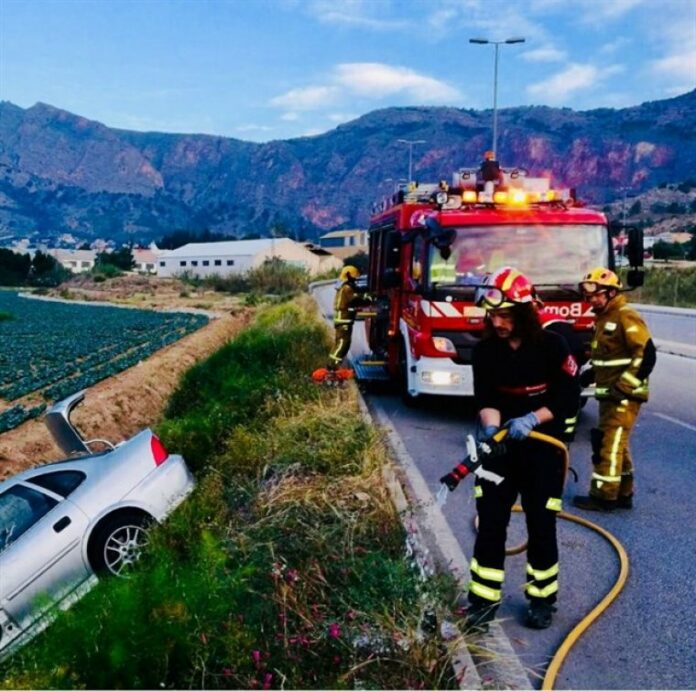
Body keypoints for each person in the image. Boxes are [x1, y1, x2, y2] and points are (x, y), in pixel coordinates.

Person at [440, 266, 580, 630]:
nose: (497, 322)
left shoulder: (552, 346)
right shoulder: (486, 351)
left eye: (505, 315)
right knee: (490, 523)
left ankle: (542, 600)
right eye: (493, 315)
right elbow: (486, 397)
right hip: (500, 450)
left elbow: (568, 397)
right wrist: (491, 429)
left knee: (541, 525)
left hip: (543, 449)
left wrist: (533, 419)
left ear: (524, 313)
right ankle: (483, 602)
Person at [573, 267, 656, 511]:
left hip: (624, 395)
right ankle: (624, 493)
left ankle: (603, 497)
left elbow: (646, 354)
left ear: (611, 293)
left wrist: (624, 386)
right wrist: (588, 376)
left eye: (596, 295)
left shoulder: (625, 315)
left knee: (607, 444)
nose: (591, 300)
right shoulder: (603, 319)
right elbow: (608, 359)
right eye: (588, 296)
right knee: (618, 444)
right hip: (610, 394)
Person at [328, 265, 371, 371]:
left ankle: (333, 365)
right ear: (348, 275)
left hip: (343, 320)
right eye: (354, 277)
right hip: (344, 321)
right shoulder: (347, 288)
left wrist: (364, 290)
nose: (355, 279)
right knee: (343, 344)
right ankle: (332, 367)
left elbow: (356, 291)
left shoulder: (345, 286)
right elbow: (356, 300)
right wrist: (369, 298)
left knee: (342, 343)